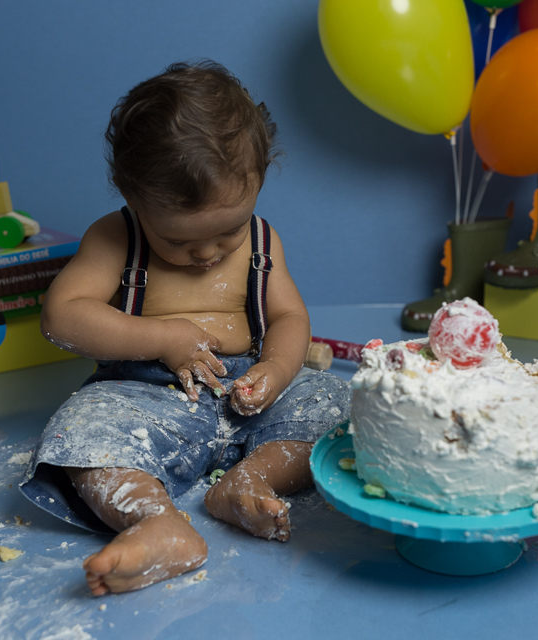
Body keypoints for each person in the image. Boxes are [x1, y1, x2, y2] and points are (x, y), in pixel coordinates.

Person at [19, 61, 350, 596]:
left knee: (339, 410)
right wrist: (164, 337)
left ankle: (251, 481)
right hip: (144, 395)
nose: (207, 252)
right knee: (79, 434)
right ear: (133, 199)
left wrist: (276, 368)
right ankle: (156, 521)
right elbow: (62, 316)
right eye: (178, 239)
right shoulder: (115, 239)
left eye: (229, 230)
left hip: (248, 391)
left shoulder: (263, 241)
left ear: (257, 185)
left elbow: (289, 317)